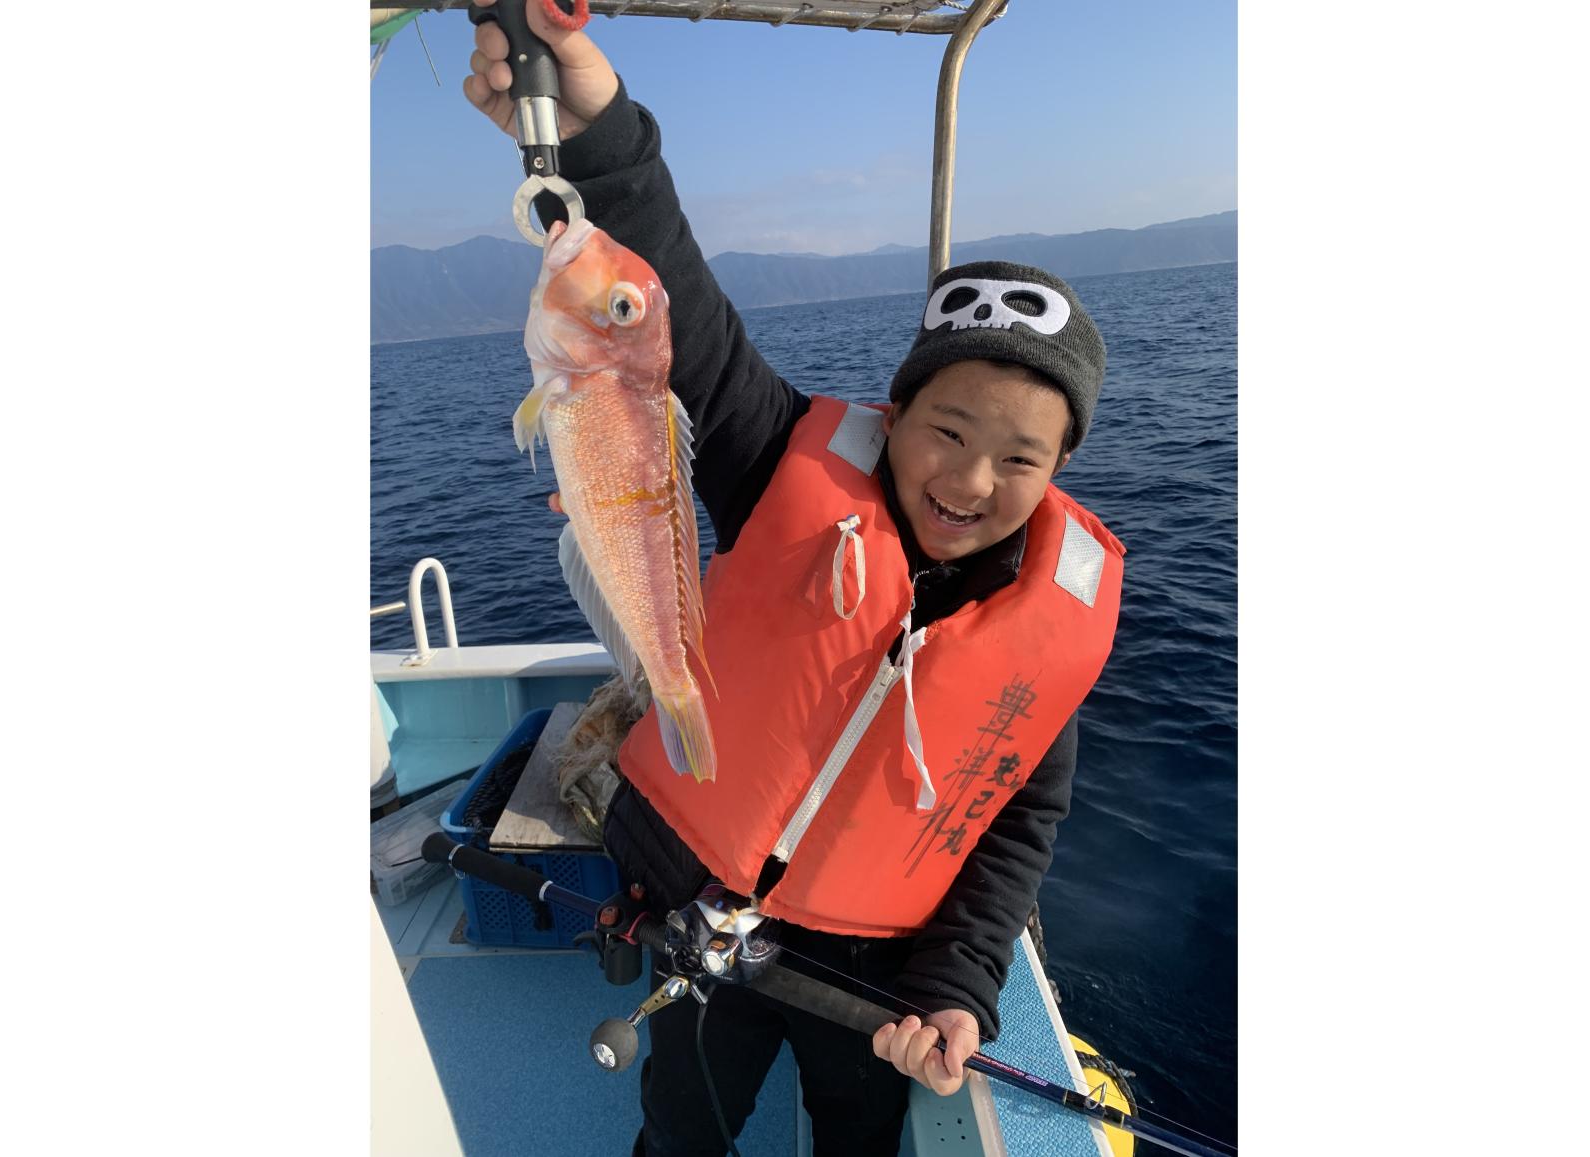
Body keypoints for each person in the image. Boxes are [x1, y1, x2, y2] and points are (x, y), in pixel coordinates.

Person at [465, 4, 1124, 1153]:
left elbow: (1017, 821)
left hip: (867, 963)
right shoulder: (783, 463)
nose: (968, 478)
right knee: (681, 1124)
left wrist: (961, 983)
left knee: (856, 1135)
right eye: (945, 429)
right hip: (693, 904)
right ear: (894, 409)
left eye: (1018, 456)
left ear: (1061, 468)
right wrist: (591, 115)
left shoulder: (1050, 629)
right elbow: (687, 324)